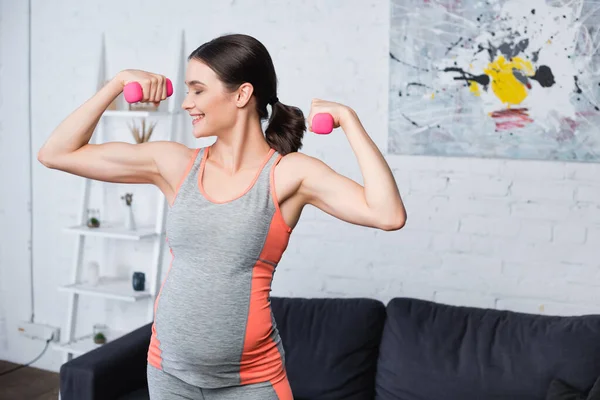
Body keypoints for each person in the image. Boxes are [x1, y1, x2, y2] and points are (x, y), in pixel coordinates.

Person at [38, 33, 406, 400]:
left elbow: (388, 214)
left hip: (252, 385)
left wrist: (350, 121)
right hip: (168, 373)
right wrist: (116, 84)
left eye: (197, 90)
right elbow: (56, 153)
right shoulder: (175, 164)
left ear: (242, 95)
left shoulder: (288, 174)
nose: (186, 103)